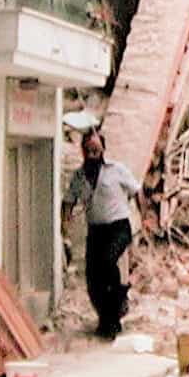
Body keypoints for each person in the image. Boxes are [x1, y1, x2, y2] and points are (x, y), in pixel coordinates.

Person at [64, 130, 143, 339]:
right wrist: (65, 224)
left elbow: (137, 191)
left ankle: (118, 303)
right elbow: (68, 201)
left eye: (96, 150)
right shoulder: (79, 177)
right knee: (93, 277)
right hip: (96, 230)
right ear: (83, 151)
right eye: (89, 150)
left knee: (107, 263)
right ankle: (106, 318)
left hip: (119, 228)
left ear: (103, 150)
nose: (92, 153)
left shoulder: (117, 170)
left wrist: (142, 219)